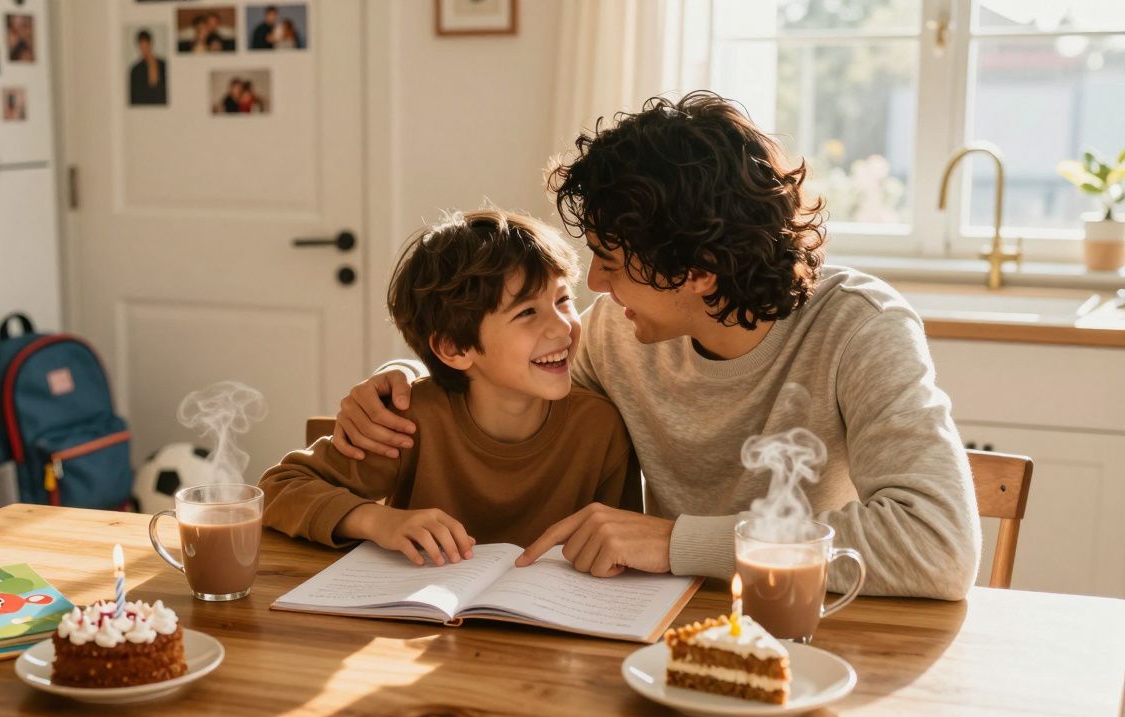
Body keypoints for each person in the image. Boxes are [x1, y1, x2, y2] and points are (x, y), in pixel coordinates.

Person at [331, 92, 982, 600]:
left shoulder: (859, 329)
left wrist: (676, 543)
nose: (594, 284)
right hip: (655, 622)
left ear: (698, 271)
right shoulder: (617, 333)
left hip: (805, 626)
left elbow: (938, 546)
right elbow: (506, 374)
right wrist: (401, 377)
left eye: (611, 261)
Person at [259, 209, 642, 566]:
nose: (561, 326)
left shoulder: (600, 428)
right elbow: (279, 487)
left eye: (563, 299)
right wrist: (377, 520)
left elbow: (621, 547)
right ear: (454, 348)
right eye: (527, 312)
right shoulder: (408, 422)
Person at [128, 29, 167, 106]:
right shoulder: (135, 70)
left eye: (146, 47)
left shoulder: (163, 65)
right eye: (142, 48)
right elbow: (133, 98)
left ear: (151, 45)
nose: (144, 51)